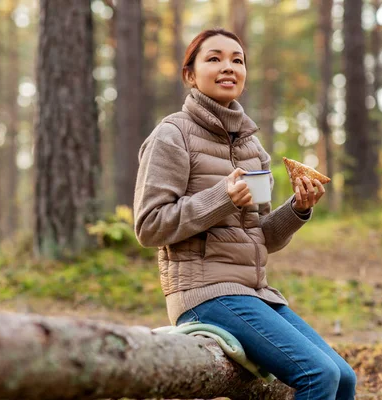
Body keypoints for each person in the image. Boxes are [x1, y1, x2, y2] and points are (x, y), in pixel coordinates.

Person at [133, 28, 357, 399]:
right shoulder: (172, 135)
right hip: (203, 294)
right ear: (190, 74)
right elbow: (149, 226)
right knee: (318, 375)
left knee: (343, 377)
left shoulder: (253, 149)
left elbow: (261, 236)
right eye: (214, 58)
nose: (228, 67)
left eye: (237, 60)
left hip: (255, 294)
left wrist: (297, 209)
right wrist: (223, 196)